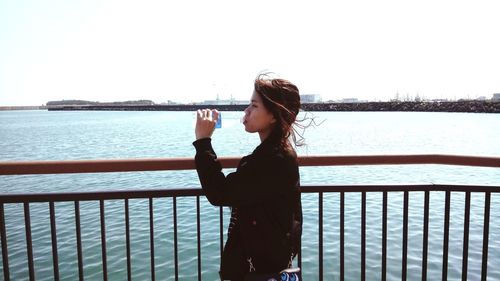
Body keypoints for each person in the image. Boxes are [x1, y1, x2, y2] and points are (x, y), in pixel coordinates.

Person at [192, 74, 303, 281]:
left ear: (273, 115)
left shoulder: (273, 159)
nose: (246, 111)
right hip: (266, 266)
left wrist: (203, 141)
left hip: (255, 270)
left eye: (254, 106)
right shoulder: (277, 154)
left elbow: (220, 192)